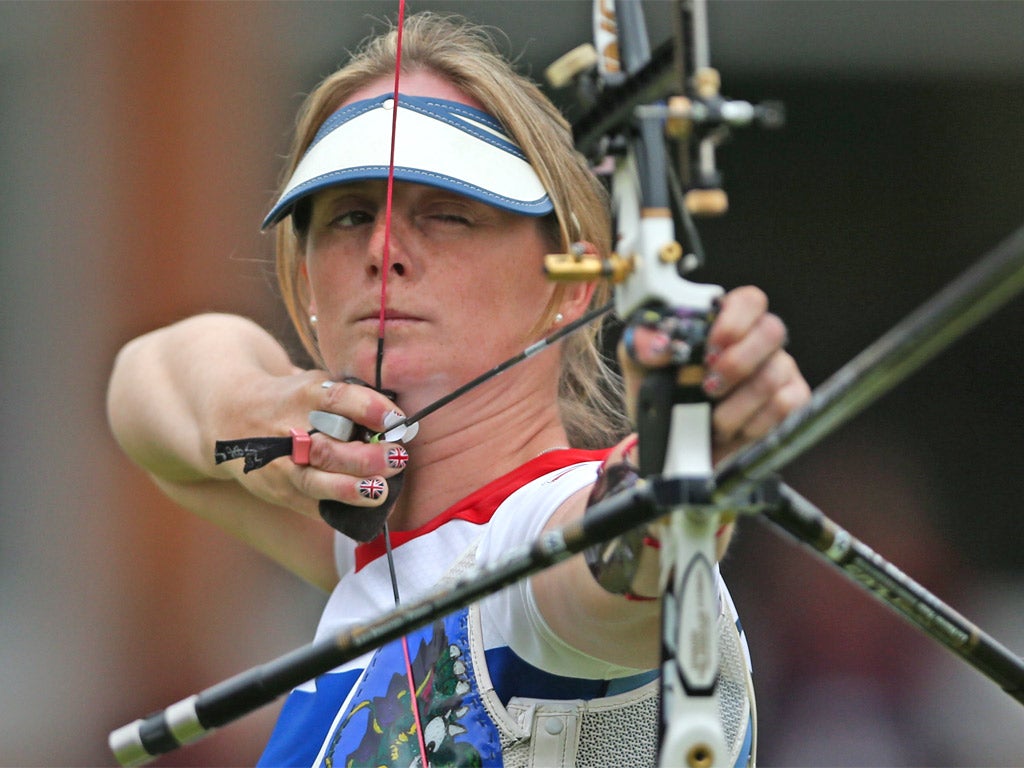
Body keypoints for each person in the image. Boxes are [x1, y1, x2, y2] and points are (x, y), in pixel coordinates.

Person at [107, 12, 809, 767]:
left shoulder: (534, 542)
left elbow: (625, 569)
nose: (383, 251)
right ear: (307, 281)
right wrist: (267, 411)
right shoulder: (379, 552)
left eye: (446, 214)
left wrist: (682, 462)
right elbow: (146, 389)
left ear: (572, 282)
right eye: (348, 216)